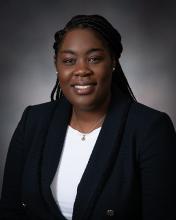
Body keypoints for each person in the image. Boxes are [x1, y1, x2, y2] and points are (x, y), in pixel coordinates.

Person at [0, 14, 176, 220]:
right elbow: (9, 210)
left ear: (113, 61)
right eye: (69, 60)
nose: (81, 70)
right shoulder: (33, 121)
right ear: (57, 65)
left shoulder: (150, 128)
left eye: (94, 59)